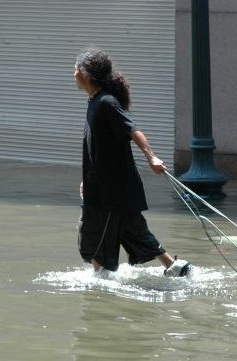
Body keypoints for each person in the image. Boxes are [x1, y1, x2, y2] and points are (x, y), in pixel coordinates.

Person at [73, 47, 190, 277]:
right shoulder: (95, 102)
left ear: (85, 74)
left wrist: (151, 157)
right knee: (133, 229)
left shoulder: (106, 103)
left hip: (111, 192)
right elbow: (96, 150)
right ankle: (175, 268)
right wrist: (86, 180)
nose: (72, 73)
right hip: (109, 189)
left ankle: (101, 290)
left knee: (94, 236)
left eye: (75, 69)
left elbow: (133, 130)